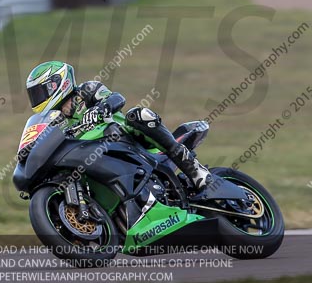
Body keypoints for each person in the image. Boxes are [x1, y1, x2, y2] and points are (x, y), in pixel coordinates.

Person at [25, 60, 212, 200]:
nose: (37, 98)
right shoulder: (55, 120)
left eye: (40, 92)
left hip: (128, 140)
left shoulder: (86, 91)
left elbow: (116, 98)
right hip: (96, 156)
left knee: (139, 115)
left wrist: (100, 108)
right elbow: (43, 140)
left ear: (57, 84)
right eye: (34, 94)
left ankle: (194, 170)